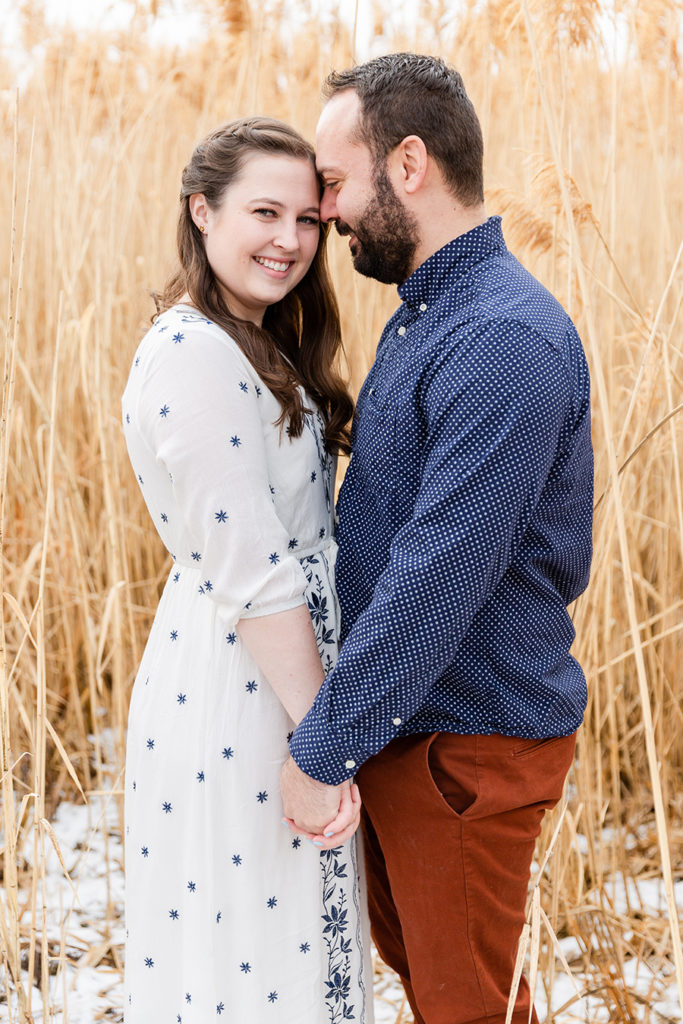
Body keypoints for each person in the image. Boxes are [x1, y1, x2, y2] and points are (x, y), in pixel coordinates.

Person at [280, 54, 594, 1024]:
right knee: (453, 990)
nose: (323, 211)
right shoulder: (427, 318)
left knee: (466, 1007)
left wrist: (319, 746)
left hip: (464, 739)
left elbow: (434, 579)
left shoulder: (502, 338)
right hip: (413, 732)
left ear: (406, 163)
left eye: (334, 181)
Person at [121, 117, 373, 1024]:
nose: (290, 240)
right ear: (202, 209)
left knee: (290, 943)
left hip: (279, 671)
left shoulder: (253, 341)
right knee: (254, 959)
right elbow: (257, 573)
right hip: (243, 680)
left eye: (308, 218)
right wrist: (322, 742)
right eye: (264, 212)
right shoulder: (193, 355)